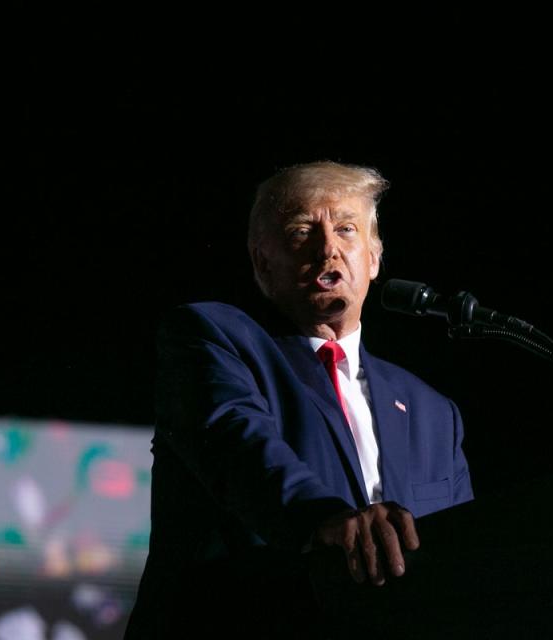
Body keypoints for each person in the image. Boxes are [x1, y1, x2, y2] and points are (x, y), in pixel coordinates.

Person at [125, 161, 474, 638]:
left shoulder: (434, 412)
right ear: (263, 263)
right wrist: (327, 520)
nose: (327, 247)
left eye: (346, 229)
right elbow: (239, 444)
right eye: (300, 231)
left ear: (373, 258)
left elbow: (465, 553)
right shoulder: (213, 338)